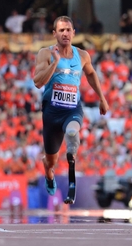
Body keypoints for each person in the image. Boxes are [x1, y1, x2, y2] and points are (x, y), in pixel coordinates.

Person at [32, 16, 108, 204]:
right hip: (51, 113)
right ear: (55, 34)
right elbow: (38, 82)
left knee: (73, 131)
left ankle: (72, 150)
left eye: (68, 30)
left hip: (72, 109)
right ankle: (49, 174)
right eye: (61, 30)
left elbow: (91, 74)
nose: (65, 33)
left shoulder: (82, 55)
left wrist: (102, 97)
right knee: (51, 162)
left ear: (74, 33)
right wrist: (55, 63)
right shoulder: (45, 53)